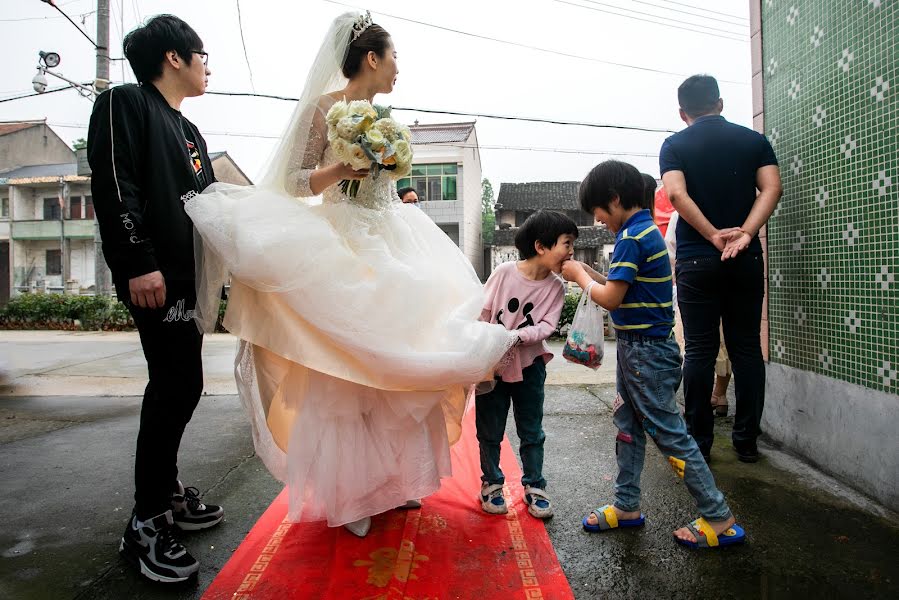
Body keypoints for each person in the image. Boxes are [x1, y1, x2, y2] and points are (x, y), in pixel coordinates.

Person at [183, 12, 515, 538]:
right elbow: (294, 182)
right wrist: (342, 169)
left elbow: (384, 184)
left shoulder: (383, 117)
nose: (398, 68)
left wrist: (390, 178)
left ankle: (395, 480)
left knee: (397, 372)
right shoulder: (323, 110)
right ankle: (352, 491)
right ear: (371, 58)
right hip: (343, 238)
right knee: (346, 376)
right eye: (395, 56)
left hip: (393, 237)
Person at [87, 15, 223, 583]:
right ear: (174, 58)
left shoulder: (191, 133)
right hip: (153, 275)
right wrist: (138, 261)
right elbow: (116, 184)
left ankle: (165, 492)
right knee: (174, 386)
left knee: (183, 384)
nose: (207, 66)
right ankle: (145, 522)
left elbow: (213, 206)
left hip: (186, 280)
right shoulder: (125, 103)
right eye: (202, 55)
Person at [561, 160, 745, 549]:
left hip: (646, 355)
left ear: (614, 199)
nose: (598, 221)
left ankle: (718, 516)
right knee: (627, 426)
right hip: (635, 351)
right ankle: (626, 505)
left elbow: (611, 299)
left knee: (669, 434)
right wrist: (586, 271)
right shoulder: (643, 232)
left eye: (598, 212)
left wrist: (579, 278)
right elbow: (618, 286)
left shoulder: (632, 237)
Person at [659, 75, 782, 463]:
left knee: (699, 349)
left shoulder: (674, 145)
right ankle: (746, 442)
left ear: (683, 112)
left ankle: (699, 442)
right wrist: (745, 233)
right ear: (720, 104)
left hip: (697, 257)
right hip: (744, 258)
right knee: (746, 349)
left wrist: (713, 235)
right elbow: (772, 188)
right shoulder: (753, 141)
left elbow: (676, 194)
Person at [476, 210, 577, 520]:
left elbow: (546, 327)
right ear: (541, 246)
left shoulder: (556, 287)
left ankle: (535, 486)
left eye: (573, 244)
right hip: (491, 365)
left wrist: (513, 337)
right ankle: (491, 483)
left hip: (530, 366)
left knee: (531, 431)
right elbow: (483, 311)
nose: (571, 251)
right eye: (566, 243)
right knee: (489, 430)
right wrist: (482, 345)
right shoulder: (504, 272)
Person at [666, 212, 732, 418]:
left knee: (696, 348)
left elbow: (670, 248)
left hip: (693, 275)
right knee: (725, 341)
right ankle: (720, 395)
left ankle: (698, 413)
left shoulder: (682, 211)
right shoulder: (733, 200)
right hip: (732, 272)